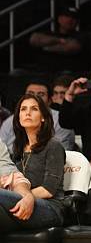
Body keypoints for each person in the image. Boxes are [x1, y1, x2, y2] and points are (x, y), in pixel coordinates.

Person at [0, 93, 66, 233]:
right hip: (21, 203)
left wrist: (25, 197)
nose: (27, 113)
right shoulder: (17, 148)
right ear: (18, 117)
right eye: (23, 109)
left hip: (50, 208)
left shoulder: (53, 146)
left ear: (43, 117)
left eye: (34, 109)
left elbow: (48, 190)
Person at [0, 80, 75, 153]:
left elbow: (63, 152)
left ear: (49, 100)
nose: (34, 97)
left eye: (41, 94)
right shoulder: (10, 121)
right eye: (30, 94)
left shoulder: (62, 120)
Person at [29, 6, 84, 72]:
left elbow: (69, 48)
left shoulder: (81, 36)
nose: (70, 20)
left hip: (68, 73)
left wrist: (44, 46)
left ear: (77, 21)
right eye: (66, 16)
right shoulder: (48, 33)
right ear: (59, 19)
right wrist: (59, 41)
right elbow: (34, 39)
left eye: (74, 17)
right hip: (43, 71)